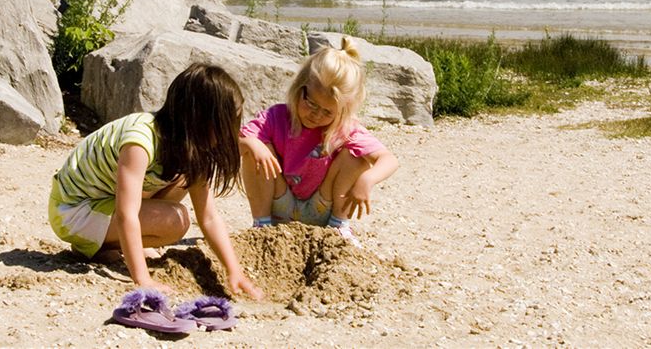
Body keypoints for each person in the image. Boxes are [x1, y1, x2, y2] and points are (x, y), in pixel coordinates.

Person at [48, 63, 263, 299]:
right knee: (177, 220)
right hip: (72, 211)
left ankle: (96, 246)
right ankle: (98, 242)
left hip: (103, 201)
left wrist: (234, 270)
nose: (226, 136)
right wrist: (142, 279)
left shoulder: (189, 147)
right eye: (223, 126)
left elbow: (209, 217)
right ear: (196, 119)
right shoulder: (140, 140)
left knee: (183, 177)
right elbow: (126, 214)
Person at [239, 37, 399, 247]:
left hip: (322, 207)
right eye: (311, 104)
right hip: (280, 203)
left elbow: (389, 159)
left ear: (342, 110)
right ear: (300, 89)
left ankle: (339, 226)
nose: (316, 115)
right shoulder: (276, 116)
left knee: (357, 158)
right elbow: (237, 139)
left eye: (327, 112)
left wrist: (367, 180)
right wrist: (254, 144)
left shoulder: (345, 127)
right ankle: (262, 225)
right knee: (254, 147)